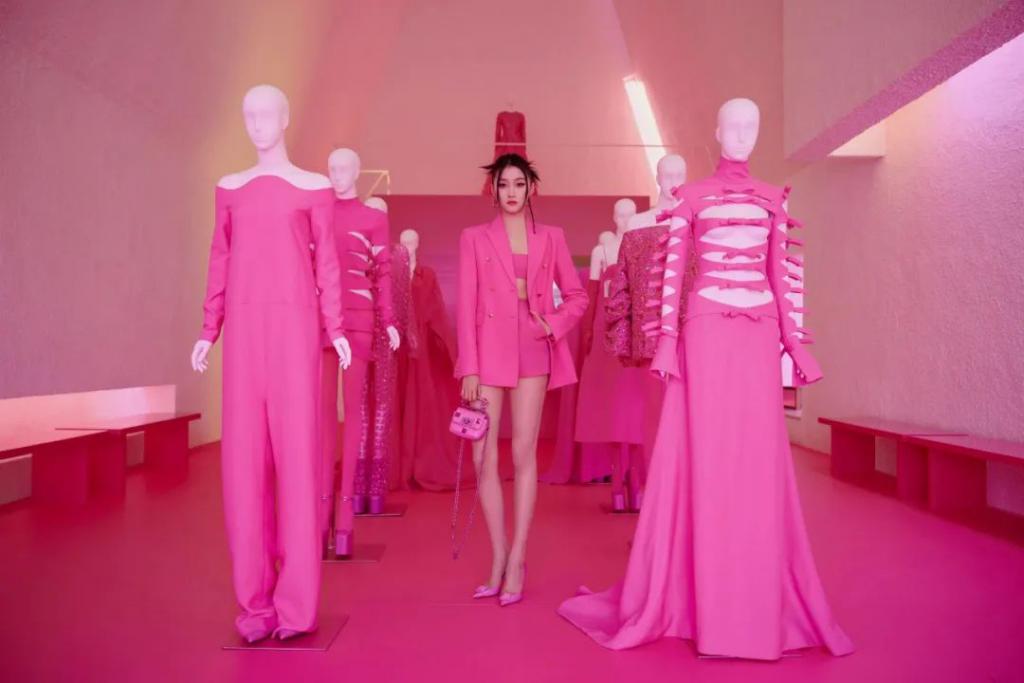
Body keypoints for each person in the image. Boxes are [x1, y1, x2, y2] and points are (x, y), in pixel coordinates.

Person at [455, 153, 587, 606]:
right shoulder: (473, 237)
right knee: (482, 457)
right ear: (493, 190)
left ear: (532, 188)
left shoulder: (552, 237)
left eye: (518, 184)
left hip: (533, 348)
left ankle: (518, 558)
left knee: (523, 452)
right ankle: (497, 555)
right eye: (503, 184)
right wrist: (469, 368)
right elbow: (466, 305)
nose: (511, 192)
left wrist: (552, 323)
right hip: (487, 352)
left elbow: (577, 296)